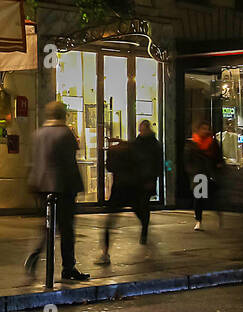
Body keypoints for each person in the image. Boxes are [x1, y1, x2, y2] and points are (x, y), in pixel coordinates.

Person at [25, 101, 90, 282]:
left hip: (41, 186)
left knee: (47, 225)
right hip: (62, 187)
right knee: (67, 229)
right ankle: (68, 267)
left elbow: (34, 161)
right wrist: (77, 186)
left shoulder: (38, 133)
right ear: (64, 114)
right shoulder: (65, 133)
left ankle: (35, 253)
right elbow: (69, 163)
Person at [97, 120, 164, 264]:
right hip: (134, 187)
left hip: (126, 188)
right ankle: (144, 233)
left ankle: (105, 252)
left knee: (113, 220)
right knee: (140, 212)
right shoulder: (136, 147)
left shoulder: (143, 146)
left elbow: (110, 167)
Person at [184, 120, 224, 231]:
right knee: (199, 198)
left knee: (213, 197)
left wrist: (218, 167)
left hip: (210, 174)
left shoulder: (213, 143)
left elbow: (219, 158)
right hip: (198, 174)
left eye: (207, 129)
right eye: (203, 129)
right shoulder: (192, 143)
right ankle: (198, 220)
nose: (205, 131)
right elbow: (187, 160)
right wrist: (192, 172)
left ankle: (218, 214)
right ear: (198, 129)